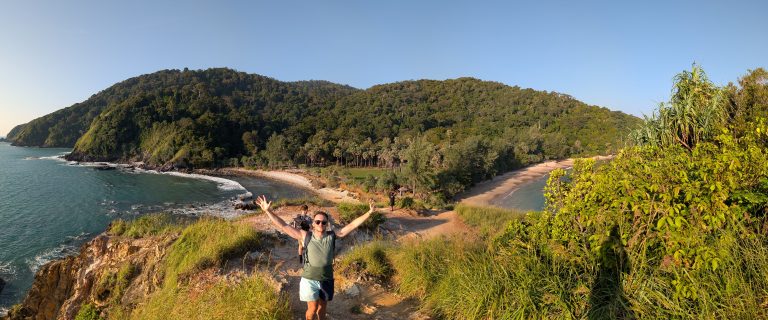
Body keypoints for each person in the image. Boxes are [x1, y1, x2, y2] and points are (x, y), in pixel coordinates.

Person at [255, 195, 378, 320]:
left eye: (323, 222)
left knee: (322, 309)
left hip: (327, 279)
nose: (320, 224)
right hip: (309, 279)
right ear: (313, 224)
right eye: (317, 222)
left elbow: (352, 225)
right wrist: (268, 211)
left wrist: (369, 212)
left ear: (327, 224)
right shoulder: (305, 235)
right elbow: (284, 226)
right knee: (312, 309)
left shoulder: (332, 235)